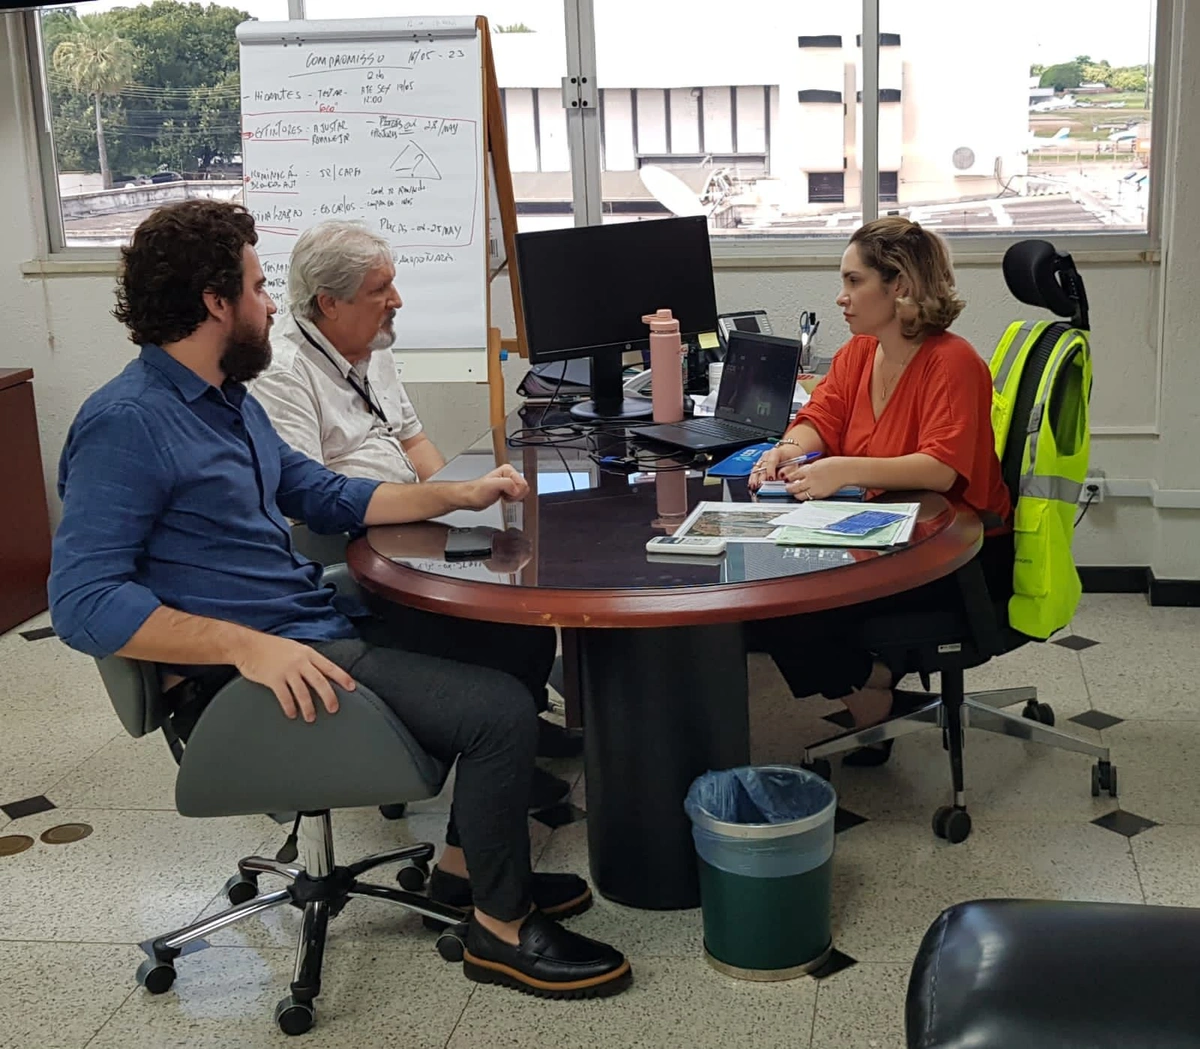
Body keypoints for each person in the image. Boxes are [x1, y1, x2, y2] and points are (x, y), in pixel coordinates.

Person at [48, 200, 630, 999]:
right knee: (495, 710)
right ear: (216, 302)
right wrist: (242, 646)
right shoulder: (127, 423)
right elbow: (82, 600)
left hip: (302, 622)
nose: (269, 304)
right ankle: (499, 931)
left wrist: (458, 493)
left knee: (516, 640)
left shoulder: (226, 401)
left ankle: (465, 873)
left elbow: (323, 494)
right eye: (256, 287)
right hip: (254, 670)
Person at [251, 222, 579, 809]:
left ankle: (516, 740)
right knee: (497, 634)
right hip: (348, 548)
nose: (396, 301)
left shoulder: (372, 345)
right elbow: (311, 498)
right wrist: (447, 503)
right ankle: (498, 747)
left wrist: (458, 501)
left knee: (521, 607)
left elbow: (414, 439)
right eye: (381, 289)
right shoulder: (282, 371)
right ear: (329, 302)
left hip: (408, 525)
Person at [746, 216, 1013, 765]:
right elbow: (820, 416)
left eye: (853, 282)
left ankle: (875, 691)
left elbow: (940, 471)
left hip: (954, 555)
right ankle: (874, 688)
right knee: (761, 595)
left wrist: (842, 469)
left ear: (900, 286)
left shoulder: (954, 362)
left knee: (783, 606)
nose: (841, 298)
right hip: (886, 534)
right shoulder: (859, 353)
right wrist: (789, 451)